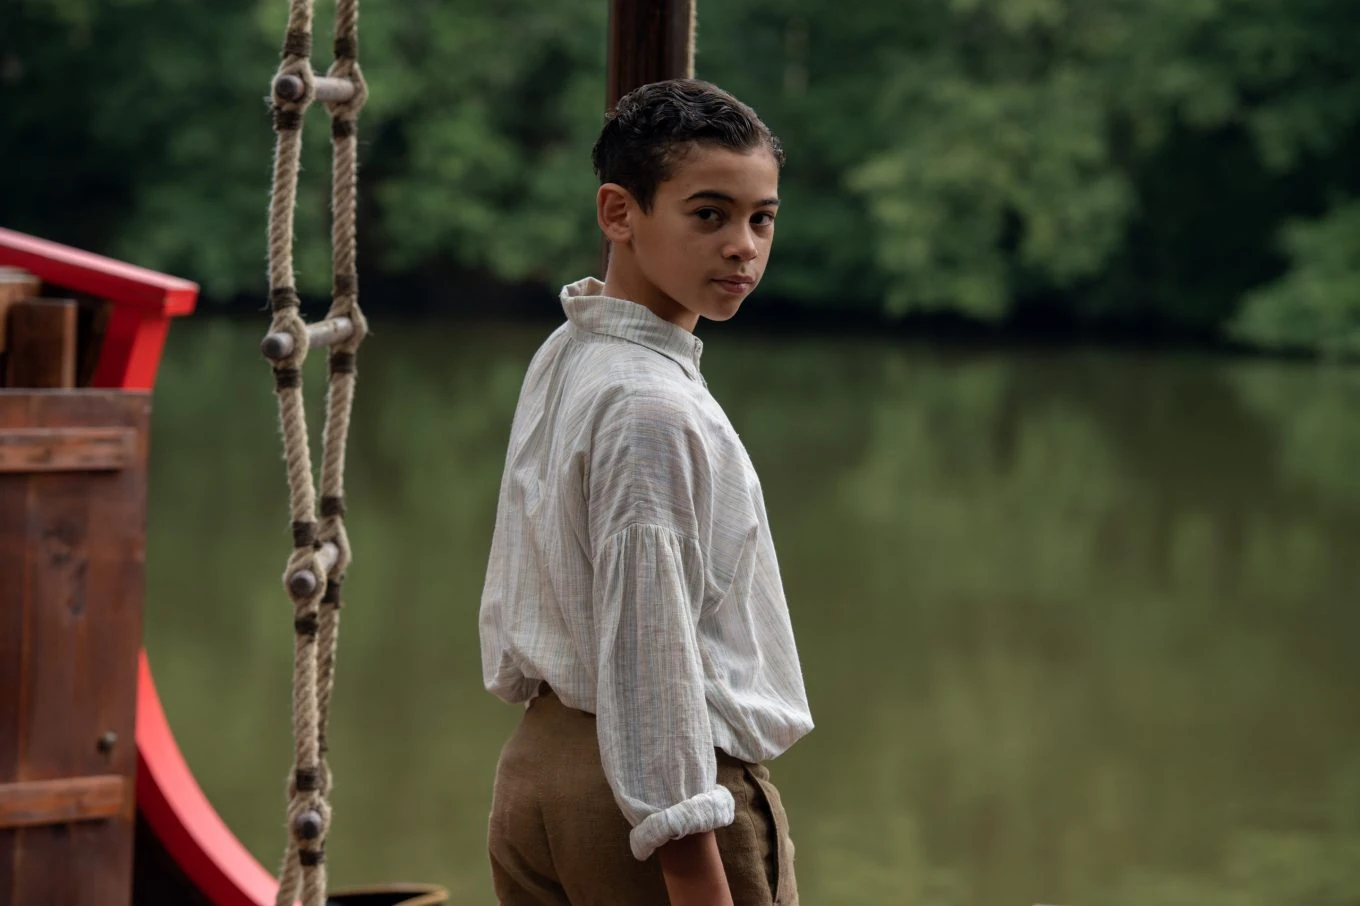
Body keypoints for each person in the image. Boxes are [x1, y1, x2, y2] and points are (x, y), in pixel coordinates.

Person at [479, 78, 813, 906]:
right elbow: (648, 646)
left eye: (761, 218)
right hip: (653, 811)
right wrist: (694, 868)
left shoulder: (571, 350)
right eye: (709, 214)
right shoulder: (649, 406)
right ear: (619, 213)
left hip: (539, 777)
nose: (742, 247)